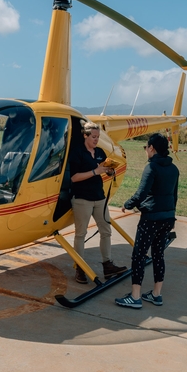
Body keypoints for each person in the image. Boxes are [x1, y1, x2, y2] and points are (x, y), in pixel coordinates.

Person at [116, 133, 179, 308]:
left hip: (151, 219)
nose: (146, 151)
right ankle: (156, 294)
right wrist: (170, 215)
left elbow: (141, 193)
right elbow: (174, 196)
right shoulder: (174, 169)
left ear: (151, 148)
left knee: (139, 256)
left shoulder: (151, 167)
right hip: (167, 217)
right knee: (158, 255)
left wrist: (127, 204)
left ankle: (135, 297)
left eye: (146, 148)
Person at [69, 122, 127, 284]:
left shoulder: (100, 152)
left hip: (100, 198)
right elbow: (73, 178)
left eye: (98, 137)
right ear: (85, 136)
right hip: (82, 199)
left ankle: (107, 265)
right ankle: (80, 268)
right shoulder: (77, 153)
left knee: (106, 231)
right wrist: (95, 171)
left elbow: (103, 170)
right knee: (80, 234)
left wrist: (109, 171)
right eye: (93, 137)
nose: (96, 140)